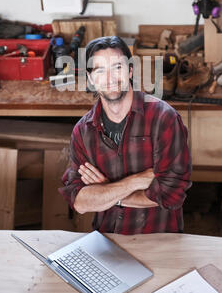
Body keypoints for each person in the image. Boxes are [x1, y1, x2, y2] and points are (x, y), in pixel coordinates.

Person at [58, 36, 192, 234]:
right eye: (100, 70)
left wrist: (105, 192)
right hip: (107, 239)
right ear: (90, 78)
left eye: (117, 67)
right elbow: (79, 201)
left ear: (130, 70)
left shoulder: (164, 119)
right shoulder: (83, 131)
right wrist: (136, 181)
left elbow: (171, 194)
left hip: (158, 239)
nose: (110, 78)